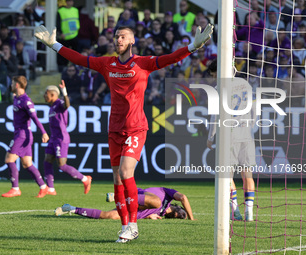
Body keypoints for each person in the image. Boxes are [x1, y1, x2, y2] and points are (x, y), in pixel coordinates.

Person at [35, 22, 213, 242]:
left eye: (123, 37)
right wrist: (54, 45)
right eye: (116, 37)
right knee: (118, 180)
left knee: (127, 173)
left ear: (132, 41)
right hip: (114, 130)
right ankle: (124, 227)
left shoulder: (143, 63)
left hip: (136, 128)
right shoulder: (107, 64)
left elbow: (170, 58)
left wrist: (192, 47)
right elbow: (79, 59)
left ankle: (133, 225)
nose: (118, 40)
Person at [206, 60, 256, 222]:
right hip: (245, 133)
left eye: (214, 75)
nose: (214, 79)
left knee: (227, 176)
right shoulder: (244, 83)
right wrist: (251, 124)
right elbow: (254, 107)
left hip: (227, 134)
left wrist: (210, 136)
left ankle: (235, 211)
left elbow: (215, 116)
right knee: (247, 174)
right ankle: (250, 212)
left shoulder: (217, 89)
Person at [2, 76, 50, 198]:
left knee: (9, 159)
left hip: (22, 135)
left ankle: (15, 188)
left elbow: (35, 118)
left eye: (13, 83)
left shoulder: (26, 101)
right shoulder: (16, 98)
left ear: (17, 85)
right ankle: (43, 187)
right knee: (27, 164)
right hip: (21, 134)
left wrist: (44, 132)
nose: (11, 85)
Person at [43, 80, 92, 195]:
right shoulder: (51, 107)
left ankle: (85, 179)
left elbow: (67, 105)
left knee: (62, 165)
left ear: (53, 94)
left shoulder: (60, 103)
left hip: (61, 138)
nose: (44, 96)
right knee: (47, 161)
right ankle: (51, 189)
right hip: (53, 138)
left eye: (46, 93)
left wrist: (64, 92)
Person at [55, 186, 194, 221]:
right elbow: (183, 197)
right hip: (137, 196)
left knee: (109, 216)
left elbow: (145, 213)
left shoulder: (159, 215)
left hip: (135, 208)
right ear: (178, 206)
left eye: (179, 216)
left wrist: (148, 217)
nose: (178, 214)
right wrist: (191, 218)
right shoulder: (167, 195)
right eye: (181, 212)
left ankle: (71, 209)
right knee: (157, 202)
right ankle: (118, 196)